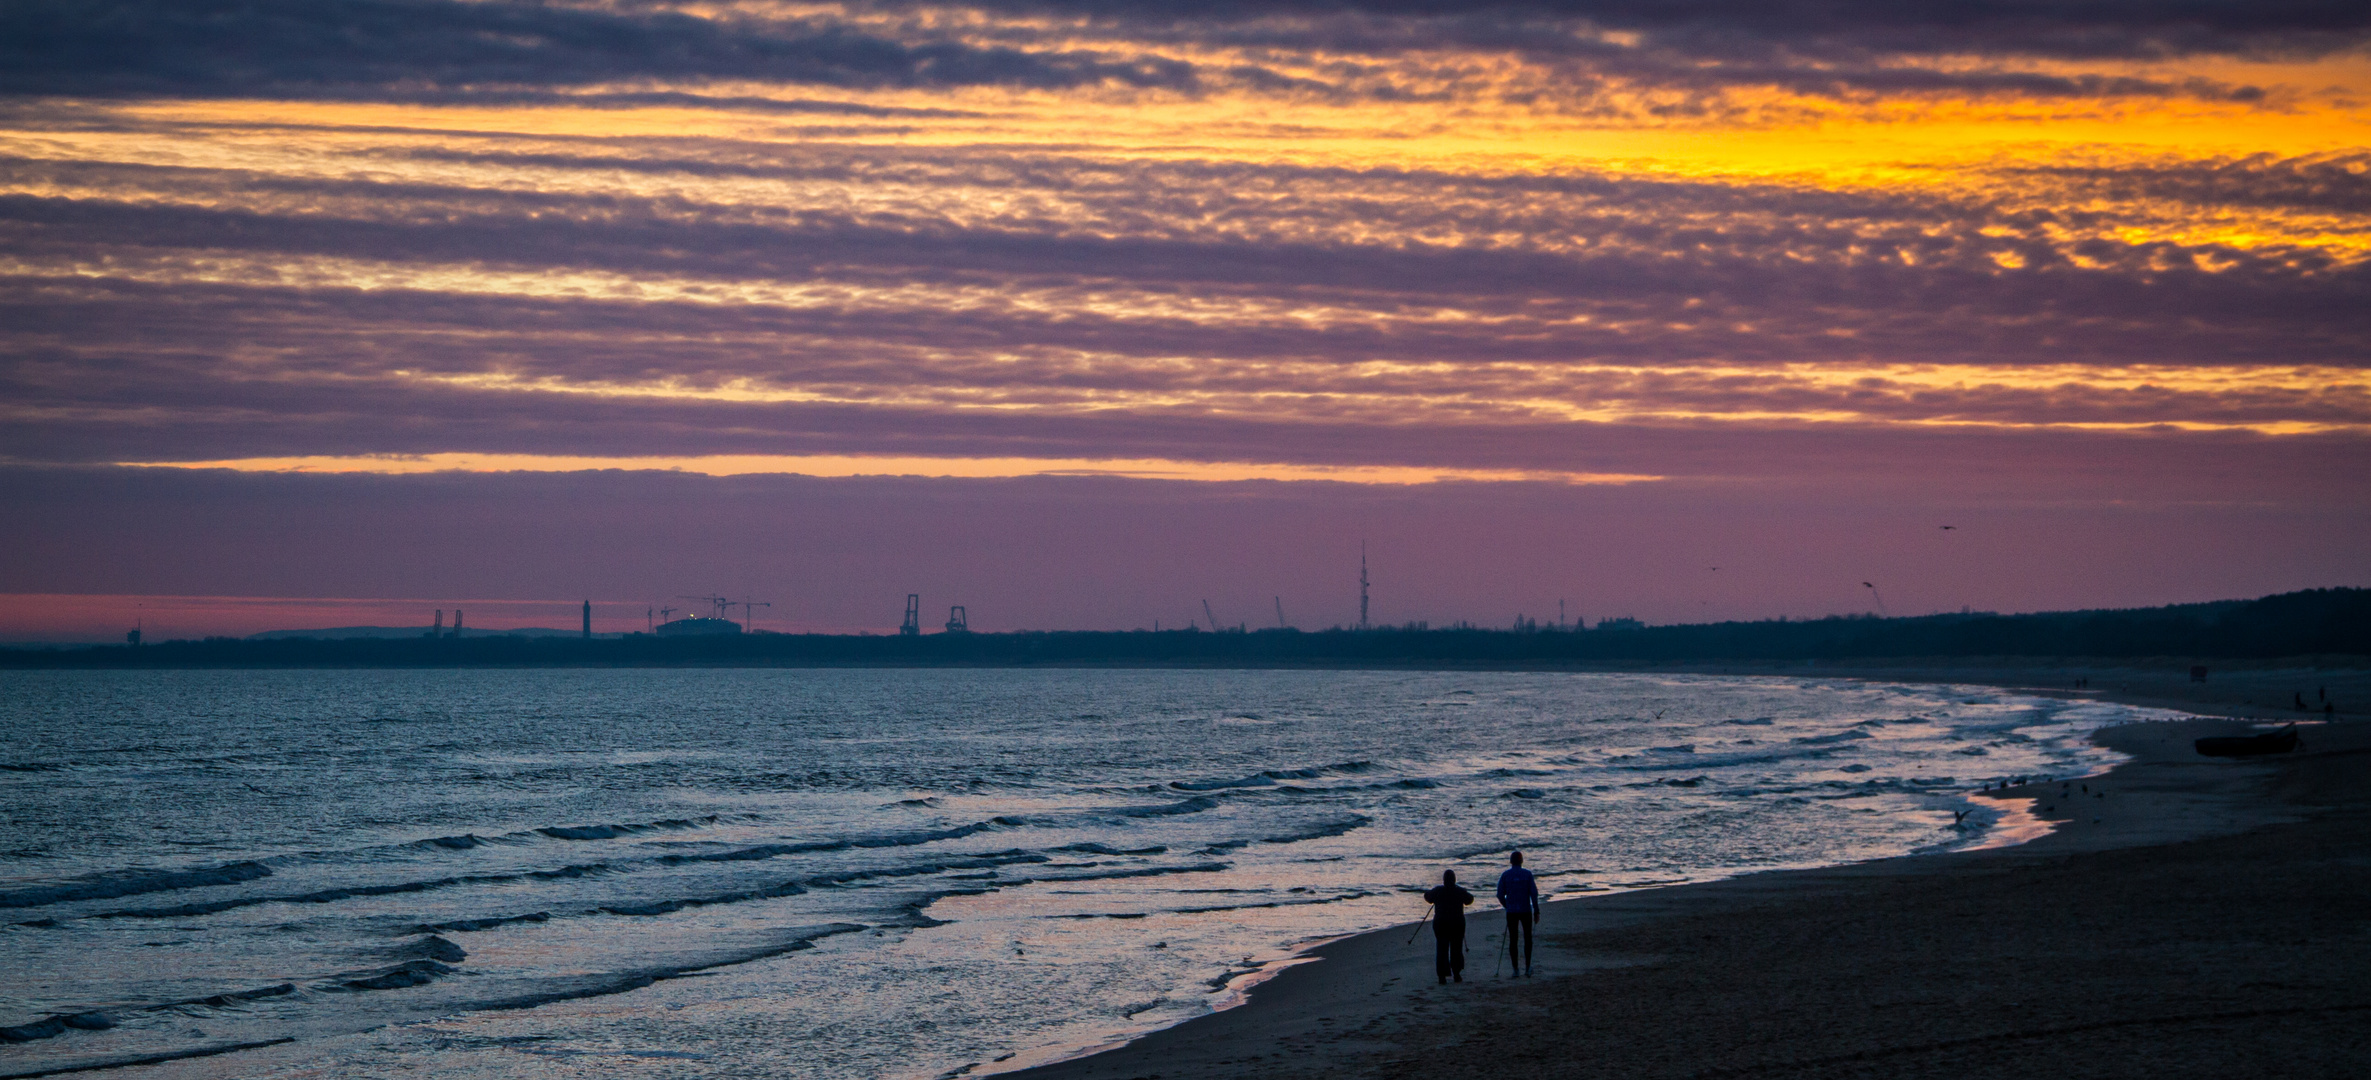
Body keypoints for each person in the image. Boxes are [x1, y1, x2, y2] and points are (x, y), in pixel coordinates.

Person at [1422, 869, 1474, 983]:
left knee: (1441, 948)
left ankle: (1442, 976)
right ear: (1454, 880)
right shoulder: (1459, 891)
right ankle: (1456, 974)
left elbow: (1427, 897)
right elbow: (1470, 899)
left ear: (1444, 880)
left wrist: (1430, 894)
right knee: (1456, 948)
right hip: (1457, 923)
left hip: (1441, 923)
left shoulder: (1438, 890)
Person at [1497, 850, 1541, 976]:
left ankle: (1515, 969)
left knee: (1513, 940)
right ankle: (1527, 967)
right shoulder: (1527, 874)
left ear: (1511, 862)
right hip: (1525, 910)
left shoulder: (1506, 875)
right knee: (1528, 938)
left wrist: (1507, 905)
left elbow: (1500, 894)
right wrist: (1536, 910)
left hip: (1512, 911)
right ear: (1521, 861)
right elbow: (1533, 894)